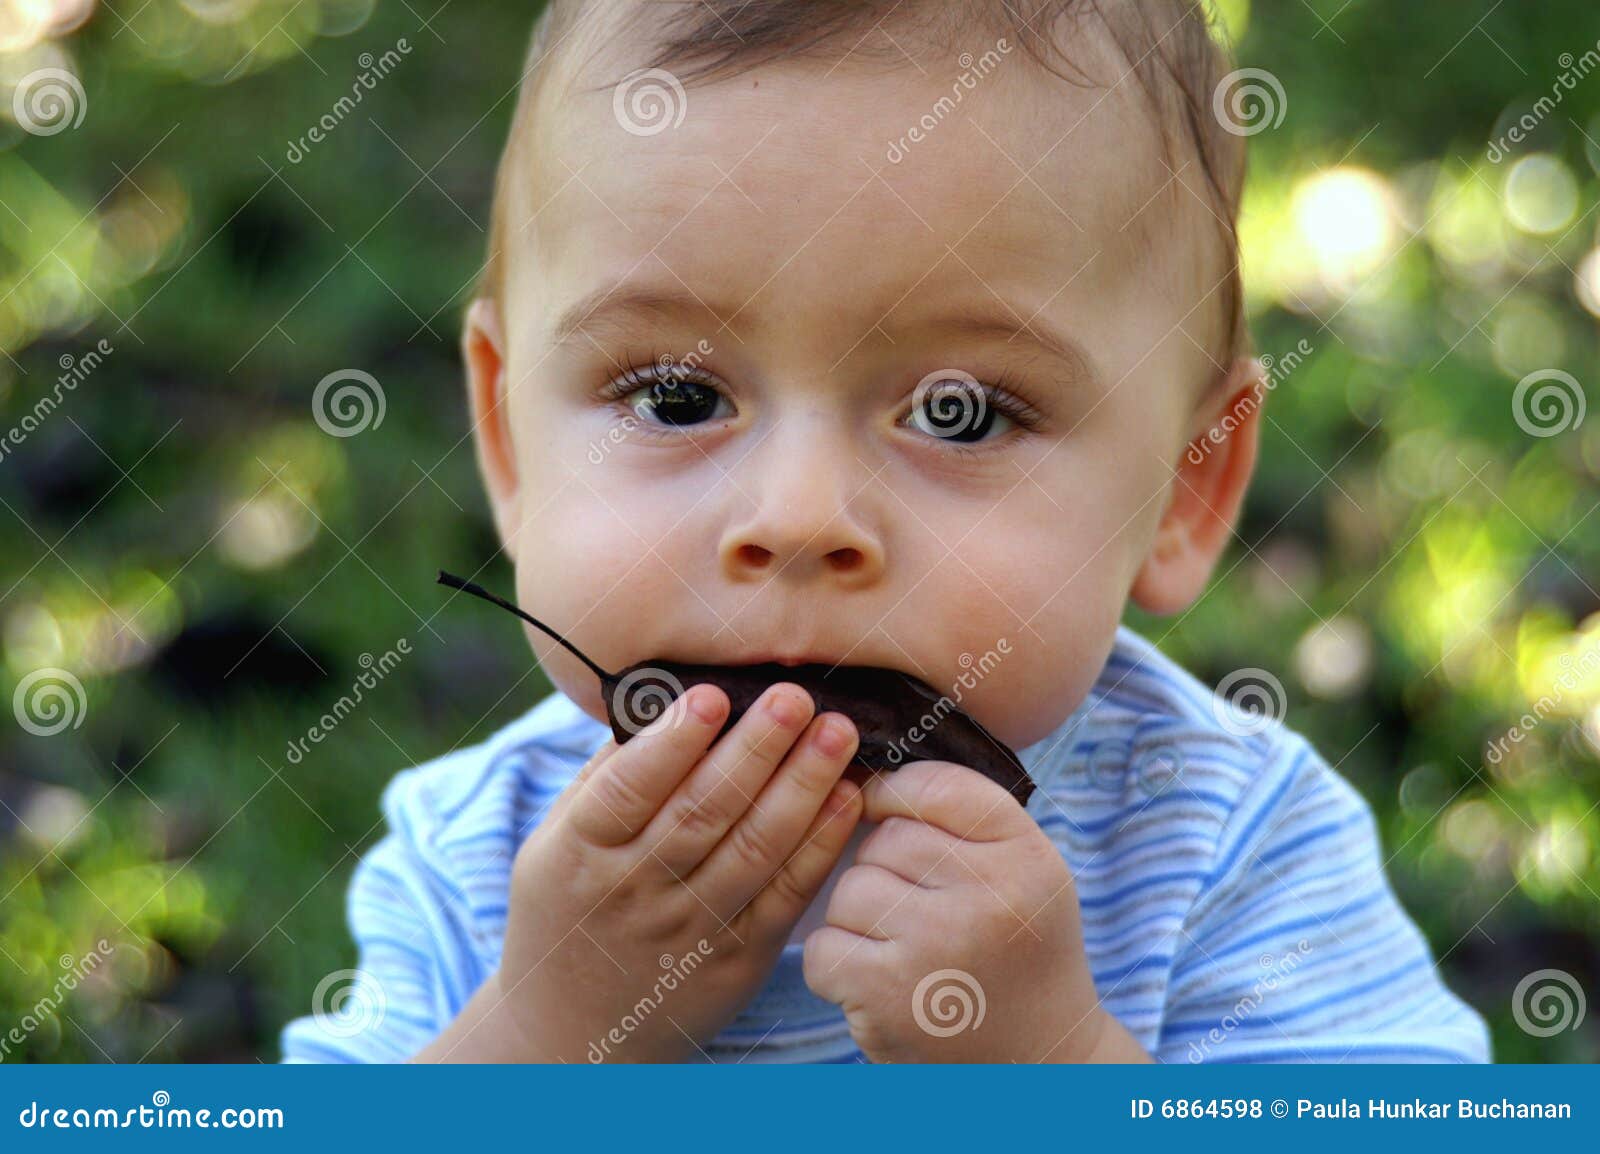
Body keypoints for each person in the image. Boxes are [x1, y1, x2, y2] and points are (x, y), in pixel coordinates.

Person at [283, 0, 1490, 1064]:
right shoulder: (477, 862)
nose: (800, 518)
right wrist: (544, 1034)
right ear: (509, 445)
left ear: (1182, 487)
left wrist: (1057, 1063)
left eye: (960, 414)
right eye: (676, 397)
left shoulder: (1226, 845)